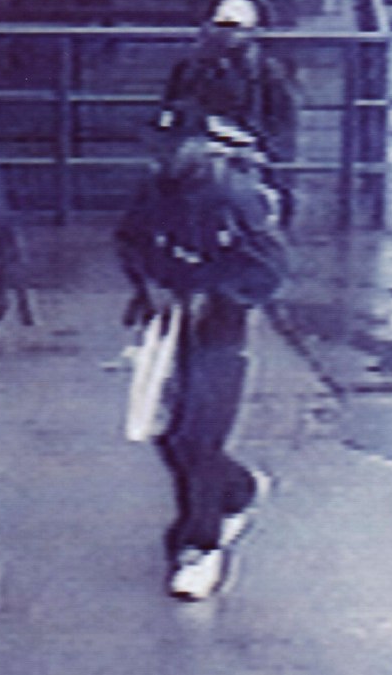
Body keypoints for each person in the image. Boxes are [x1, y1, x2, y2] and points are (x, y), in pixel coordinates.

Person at [116, 135, 288, 601]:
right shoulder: (158, 189)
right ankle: (236, 489)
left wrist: (213, 294)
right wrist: (149, 282)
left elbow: (269, 271)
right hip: (168, 322)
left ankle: (201, 546)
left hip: (220, 329)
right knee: (166, 432)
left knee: (201, 435)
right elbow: (130, 238)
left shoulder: (238, 196)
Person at [156, 0, 298, 226]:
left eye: (236, 27)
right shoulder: (189, 67)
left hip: (248, 156)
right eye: (221, 25)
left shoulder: (268, 71)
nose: (228, 34)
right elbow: (170, 111)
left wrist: (258, 149)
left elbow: (280, 123)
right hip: (197, 153)